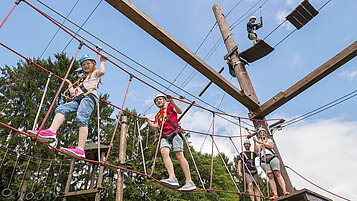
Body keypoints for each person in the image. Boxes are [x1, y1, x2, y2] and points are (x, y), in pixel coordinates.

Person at [28, 54, 107, 158]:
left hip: (89, 97)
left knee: (81, 117)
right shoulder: (82, 79)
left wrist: (102, 61)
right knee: (61, 109)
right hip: (79, 98)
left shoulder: (95, 74)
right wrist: (70, 85)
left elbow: (102, 72)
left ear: (93, 65)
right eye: (83, 65)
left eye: (88, 63)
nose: (86, 66)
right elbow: (73, 93)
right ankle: (51, 132)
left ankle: (80, 149)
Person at [139, 93, 196, 191]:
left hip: (175, 132)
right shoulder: (158, 115)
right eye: (157, 100)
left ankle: (189, 181)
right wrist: (148, 120)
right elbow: (155, 127)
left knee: (179, 155)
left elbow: (179, 111)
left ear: (164, 100)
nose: (159, 101)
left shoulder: (169, 106)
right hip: (165, 135)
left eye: (160, 99)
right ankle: (172, 178)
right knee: (164, 152)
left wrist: (172, 101)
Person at [253, 127, 289, 199]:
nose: (262, 134)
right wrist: (255, 142)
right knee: (270, 176)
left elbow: (271, 146)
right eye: (260, 133)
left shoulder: (269, 140)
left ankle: (284, 190)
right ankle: (275, 194)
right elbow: (256, 152)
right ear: (259, 135)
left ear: (265, 134)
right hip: (263, 160)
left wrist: (262, 143)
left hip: (272, 157)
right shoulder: (258, 143)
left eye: (263, 133)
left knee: (277, 173)